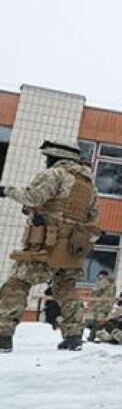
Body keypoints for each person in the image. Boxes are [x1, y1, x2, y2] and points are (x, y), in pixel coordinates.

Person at [0, 141, 100, 352]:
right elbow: (92, 217)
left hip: (46, 243)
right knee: (66, 289)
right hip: (71, 248)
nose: (46, 161)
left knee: (17, 285)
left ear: (55, 158)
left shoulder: (55, 174)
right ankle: (73, 337)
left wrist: (6, 190)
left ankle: (3, 335)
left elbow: (33, 197)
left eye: (48, 158)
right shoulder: (89, 186)